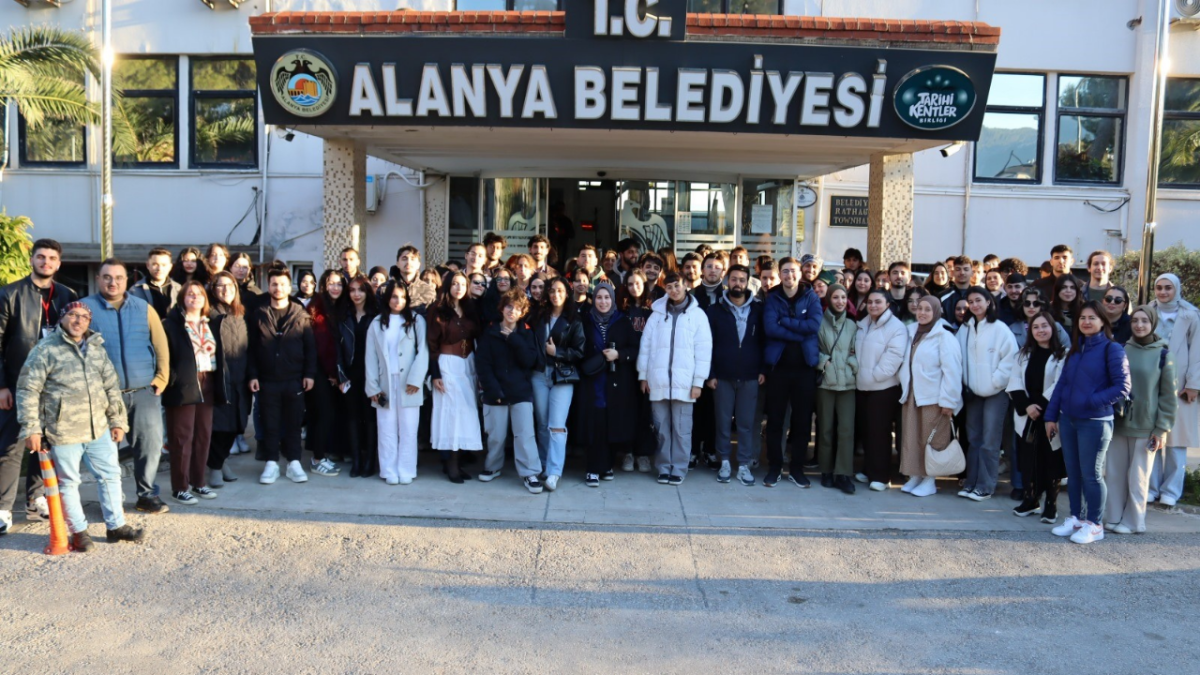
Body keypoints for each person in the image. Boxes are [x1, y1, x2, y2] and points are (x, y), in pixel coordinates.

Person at [16, 301, 143, 549]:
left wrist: (117, 421)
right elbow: (27, 390)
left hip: (99, 429)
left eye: (84, 317)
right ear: (62, 318)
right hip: (64, 430)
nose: (78, 320)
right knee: (69, 483)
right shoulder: (46, 349)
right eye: (73, 315)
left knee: (110, 476)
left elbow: (111, 386)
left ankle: (116, 526)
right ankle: (79, 532)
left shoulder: (96, 348)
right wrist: (31, 428)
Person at [80, 259, 171, 515]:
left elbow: (161, 344)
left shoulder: (143, 308)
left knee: (149, 447)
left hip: (144, 392)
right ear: (98, 279)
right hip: (104, 397)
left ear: (126, 280)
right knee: (105, 451)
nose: (113, 282)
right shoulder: (84, 309)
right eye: (107, 277)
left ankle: (146, 495)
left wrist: (161, 378)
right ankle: (112, 499)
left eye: (119, 277)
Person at [0, 239, 78, 533]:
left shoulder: (67, 295)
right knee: (11, 447)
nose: (46, 262)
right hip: (17, 384)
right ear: (32, 260)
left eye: (52, 258)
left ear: (59, 263)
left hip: (53, 385)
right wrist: (1, 386)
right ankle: (3, 509)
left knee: (43, 444)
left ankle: (35, 500)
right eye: (41, 257)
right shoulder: (9, 293)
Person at [1045, 301, 1131, 544]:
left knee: (1091, 475)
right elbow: (1061, 385)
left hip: (1095, 421)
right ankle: (1076, 518)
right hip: (1068, 419)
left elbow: (1122, 386)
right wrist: (1051, 416)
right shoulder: (1076, 349)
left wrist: (1091, 401)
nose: (1086, 322)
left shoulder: (1112, 349)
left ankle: (1095, 524)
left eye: (1092, 317)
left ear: (1103, 321)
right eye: (1082, 318)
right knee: (1073, 473)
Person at [1106, 306, 1177, 534]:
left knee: (1138, 478)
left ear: (1153, 323)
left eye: (1145, 321)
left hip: (1146, 426)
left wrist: (1162, 428)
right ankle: (1114, 516)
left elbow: (1169, 396)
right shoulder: (1121, 349)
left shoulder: (1164, 354)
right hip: (1119, 422)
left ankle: (1134, 522)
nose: (1139, 325)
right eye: (1135, 320)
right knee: (1114, 474)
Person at [637, 272, 713, 485]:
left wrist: (698, 382)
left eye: (677, 285)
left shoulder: (697, 315)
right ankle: (663, 467)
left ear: (686, 285)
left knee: (682, 429)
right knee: (661, 428)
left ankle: (679, 468)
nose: (674, 290)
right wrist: (643, 376)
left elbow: (704, 351)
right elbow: (646, 346)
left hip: (685, 383)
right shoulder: (657, 315)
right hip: (658, 380)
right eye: (669, 287)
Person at [247, 266, 317, 485]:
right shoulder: (259, 314)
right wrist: (253, 375)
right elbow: (251, 348)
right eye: (274, 284)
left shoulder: (300, 315)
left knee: (294, 423)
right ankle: (271, 463)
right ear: (269, 286)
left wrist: (309, 374)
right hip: (267, 379)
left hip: (294, 379)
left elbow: (310, 348)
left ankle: (294, 463)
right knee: (270, 423)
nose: (278, 288)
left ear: (290, 287)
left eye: (283, 284)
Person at [762, 257, 823, 488]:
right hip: (778, 369)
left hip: (804, 369)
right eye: (785, 271)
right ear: (780, 275)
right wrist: (799, 333)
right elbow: (770, 328)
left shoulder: (811, 297)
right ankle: (775, 467)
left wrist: (785, 321)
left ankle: (797, 469)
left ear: (800, 273)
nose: (790, 275)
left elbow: (813, 326)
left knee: (802, 422)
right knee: (775, 421)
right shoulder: (773, 298)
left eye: (793, 271)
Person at [475, 288, 544, 492]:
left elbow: (530, 361)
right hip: (495, 392)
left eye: (517, 308)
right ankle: (493, 467)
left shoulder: (527, 332)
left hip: (521, 391)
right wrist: (493, 390)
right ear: (502, 308)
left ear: (522, 312)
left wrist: (513, 339)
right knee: (495, 435)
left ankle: (530, 472)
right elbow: (483, 365)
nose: (512, 311)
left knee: (525, 435)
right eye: (508, 306)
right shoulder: (490, 332)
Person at [956, 287, 1019, 501]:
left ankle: (985, 486)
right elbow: (958, 357)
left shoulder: (1000, 329)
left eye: (978, 300)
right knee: (973, 439)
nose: (975, 305)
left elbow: (1010, 360)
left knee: (990, 441)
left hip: (996, 393)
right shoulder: (965, 328)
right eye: (971, 301)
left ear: (988, 302)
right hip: (973, 393)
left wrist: (994, 382)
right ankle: (971, 482)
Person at [898, 294, 963, 497]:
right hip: (912, 395)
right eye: (920, 309)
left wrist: (949, 401)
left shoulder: (944, 337)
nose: (922, 313)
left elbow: (952, 371)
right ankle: (916, 475)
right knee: (912, 437)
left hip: (935, 398)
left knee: (932, 440)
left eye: (928, 309)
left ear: (936, 312)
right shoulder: (911, 332)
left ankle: (930, 480)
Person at [705, 265, 764, 485]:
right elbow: (707, 345)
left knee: (746, 423)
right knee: (722, 422)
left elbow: (764, 342)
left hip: (750, 376)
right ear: (727, 281)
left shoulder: (758, 309)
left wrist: (762, 370)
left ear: (747, 283)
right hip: (722, 376)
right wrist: (710, 373)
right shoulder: (714, 310)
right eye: (734, 279)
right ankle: (724, 463)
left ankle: (744, 464)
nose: (737, 283)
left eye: (742, 280)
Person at [365, 281, 429, 485]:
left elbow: (423, 351)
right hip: (384, 382)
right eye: (394, 296)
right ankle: (388, 469)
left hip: (408, 383)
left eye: (402, 297)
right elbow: (370, 356)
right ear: (387, 299)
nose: (398, 301)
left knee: (409, 428)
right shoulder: (376, 323)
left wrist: (416, 379)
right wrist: (373, 387)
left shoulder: (416, 320)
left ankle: (406, 469)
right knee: (386, 428)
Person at [161, 281, 219, 505]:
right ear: (182, 298)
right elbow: (164, 356)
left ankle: (198, 482)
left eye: (200, 294)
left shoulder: (210, 322)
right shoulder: (172, 324)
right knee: (182, 437)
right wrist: (172, 380)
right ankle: (180, 488)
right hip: (183, 383)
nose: (195, 298)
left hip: (207, 379)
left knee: (203, 435)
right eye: (190, 294)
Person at [1007, 311, 1067, 521]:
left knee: (1051, 460)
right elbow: (1014, 381)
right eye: (1036, 327)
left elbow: (1059, 384)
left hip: (1049, 415)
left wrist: (1038, 407)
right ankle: (1031, 499)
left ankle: (1051, 503)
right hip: (1027, 416)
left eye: (1044, 326)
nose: (1040, 330)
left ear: (1053, 328)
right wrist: (1026, 407)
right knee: (1028, 459)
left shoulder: (1062, 354)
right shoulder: (1022, 354)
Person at [578, 283, 640, 487]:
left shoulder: (622, 321)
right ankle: (592, 468)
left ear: (612, 299)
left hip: (617, 383)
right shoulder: (585, 321)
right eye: (599, 297)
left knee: (611, 425)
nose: (603, 302)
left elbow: (635, 349)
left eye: (607, 297)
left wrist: (619, 354)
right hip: (593, 382)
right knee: (595, 425)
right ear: (593, 299)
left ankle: (607, 466)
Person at [1147, 273, 1200, 507]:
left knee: (1176, 440)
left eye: (1168, 287)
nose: (1163, 292)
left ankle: (1171, 491)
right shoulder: (1148, 311)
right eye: (1159, 287)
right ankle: (1151, 487)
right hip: (1151, 382)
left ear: (1176, 289)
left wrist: (1193, 384)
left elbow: (1197, 351)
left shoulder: (1191, 315)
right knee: (1151, 436)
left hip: (1180, 385)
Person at [427, 272, 484, 483]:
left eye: (462, 284)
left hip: (468, 364)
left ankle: (458, 463)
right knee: (451, 415)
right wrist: (435, 373)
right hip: (447, 364)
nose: (459, 288)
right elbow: (432, 344)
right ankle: (450, 465)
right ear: (448, 286)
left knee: (465, 414)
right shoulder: (437, 309)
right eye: (454, 284)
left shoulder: (470, 309)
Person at [530, 277, 584, 491]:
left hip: (562, 376)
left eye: (560, 290)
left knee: (557, 425)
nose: (555, 294)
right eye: (552, 290)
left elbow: (579, 351)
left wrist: (557, 352)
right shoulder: (538, 315)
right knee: (542, 423)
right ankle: (543, 465)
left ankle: (554, 471)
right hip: (539, 374)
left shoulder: (574, 319)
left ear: (567, 293)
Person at [855, 289, 908, 491]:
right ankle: (869, 469)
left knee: (880, 432)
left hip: (883, 388)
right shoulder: (863, 324)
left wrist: (874, 376)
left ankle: (881, 476)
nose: (873, 305)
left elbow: (894, 357)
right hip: (862, 387)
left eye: (878, 302)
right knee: (867, 431)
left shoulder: (896, 327)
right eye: (870, 302)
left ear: (887, 304)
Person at [205, 272, 249, 489]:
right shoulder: (209, 314)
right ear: (213, 289)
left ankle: (220, 462)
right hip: (219, 378)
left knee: (236, 425)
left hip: (240, 378)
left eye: (230, 285)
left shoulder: (239, 313)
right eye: (220, 286)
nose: (226, 290)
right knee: (220, 426)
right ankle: (215, 466)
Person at [815, 284, 858, 494]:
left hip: (847, 384)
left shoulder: (852, 325)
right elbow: (811, 347)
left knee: (846, 430)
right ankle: (826, 470)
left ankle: (843, 473)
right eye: (835, 297)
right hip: (825, 382)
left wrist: (852, 365)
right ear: (829, 299)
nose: (840, 301)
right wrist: (823, 361)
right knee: (825, 429)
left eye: (843, 297)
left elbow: (858, 350)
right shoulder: (818, 322)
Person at [338, 274, 380, 477]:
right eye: (352, 290)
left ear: (367, 292)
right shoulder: (343, 316)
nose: (356, 294)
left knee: (370, 417)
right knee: (352, 417)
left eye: (361, 290)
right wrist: (340, 376)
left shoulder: (376, 316)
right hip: (350, 374)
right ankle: (356, 460)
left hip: (372, 373)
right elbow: (337, 348)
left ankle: (370, 461)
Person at [304, 271, 345, 477]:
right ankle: (318, 459)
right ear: (323, 285)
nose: (335, 288)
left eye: (339, 284)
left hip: (329, 370)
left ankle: (322, 454)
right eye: (331, 283)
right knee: (323, 413)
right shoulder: (318, 307)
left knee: (327, 414)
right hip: (319, 370)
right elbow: (323, 345)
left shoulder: (337, 306)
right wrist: (332, 373)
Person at [619, 269, 656, 473]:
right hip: (626, 366)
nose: (634, 287)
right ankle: (627, 452)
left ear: (645, 284)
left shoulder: (653, 310)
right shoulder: (621, 309)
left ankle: (643, 454)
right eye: (630, 284)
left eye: (638, 283)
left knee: (645, 412)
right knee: (627, 411)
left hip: (647, 367)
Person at [130, 247, 181, 319]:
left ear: (170, 267)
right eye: (155, 264)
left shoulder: (179, 289)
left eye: (164, 265)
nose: (159, 269)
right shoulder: (135, 290)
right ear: (148, 265)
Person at [392, 245, 439, 313]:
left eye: (412, 259)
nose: (408, 262)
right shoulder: (385, 289)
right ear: (397, 264)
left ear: (418, 265)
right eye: (404, 259)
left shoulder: (428, 290)